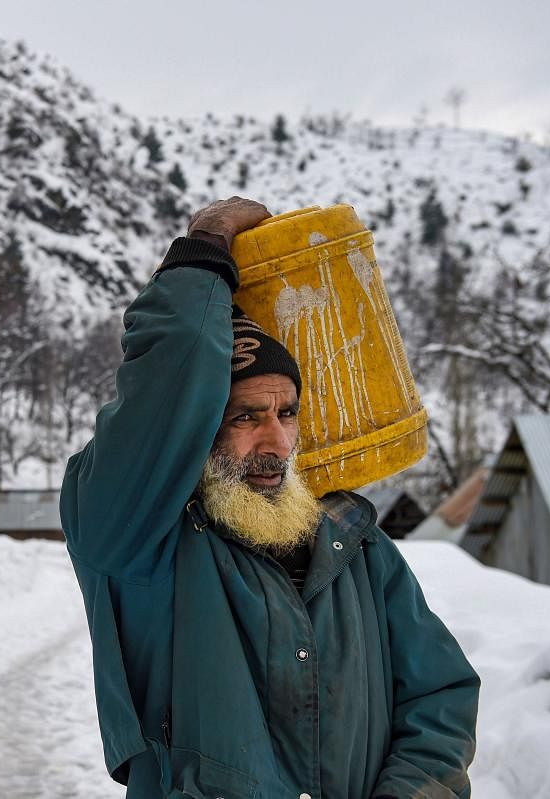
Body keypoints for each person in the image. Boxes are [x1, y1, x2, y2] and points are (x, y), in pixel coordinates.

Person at [60, 197, 480, 799]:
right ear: (195, 432)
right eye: (245, 416)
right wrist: (204, 248)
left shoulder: (355, 546)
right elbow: (166, 387)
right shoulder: (142, 541)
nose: (276, 441)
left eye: (287, 412)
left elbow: (438, 695)